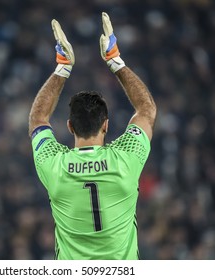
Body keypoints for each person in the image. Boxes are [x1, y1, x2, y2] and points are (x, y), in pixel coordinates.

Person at [28, 12, 157, 260]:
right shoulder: (125, 159)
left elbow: (38, 119)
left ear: (69, 126)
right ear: (106, 125)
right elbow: (146, 110)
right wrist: (115, 60)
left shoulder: (55, 165)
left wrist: (62, 68)